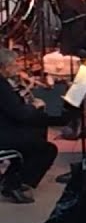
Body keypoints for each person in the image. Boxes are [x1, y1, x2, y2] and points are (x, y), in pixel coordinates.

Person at [0, 49, 61, 204]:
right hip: (4, 133)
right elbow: (19, 113)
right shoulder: (2, 85)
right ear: (3, 67)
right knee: (47, 149)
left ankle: (12, 177)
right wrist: (34, 105)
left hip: (5, 126)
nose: (17, 67)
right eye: (14, 64)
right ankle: (14, 183)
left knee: (37, 132)